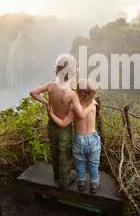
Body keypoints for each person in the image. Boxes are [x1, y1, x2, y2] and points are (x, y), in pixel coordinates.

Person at [29, 54, 93, 188]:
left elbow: (33, 92)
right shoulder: (71, 94)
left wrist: (47, 103)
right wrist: (91, 105)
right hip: (64, 128)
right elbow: (80, 115)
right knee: (64, 152)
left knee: (54, 150)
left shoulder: (51, 86)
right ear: (74, 73)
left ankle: (57, 174)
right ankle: (64, 180)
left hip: (51, 125)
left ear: (56, 71)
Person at [48, 79, 101, 194]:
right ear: (93, 94)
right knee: (94, 163)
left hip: (78, 139)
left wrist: (52, 114)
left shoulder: (73, 109)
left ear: (76, 92)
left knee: (80, 163)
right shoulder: (93, 105)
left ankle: (81, 182)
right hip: (93, 139)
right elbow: (87, 95)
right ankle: (94, 184)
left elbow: (63, 123)